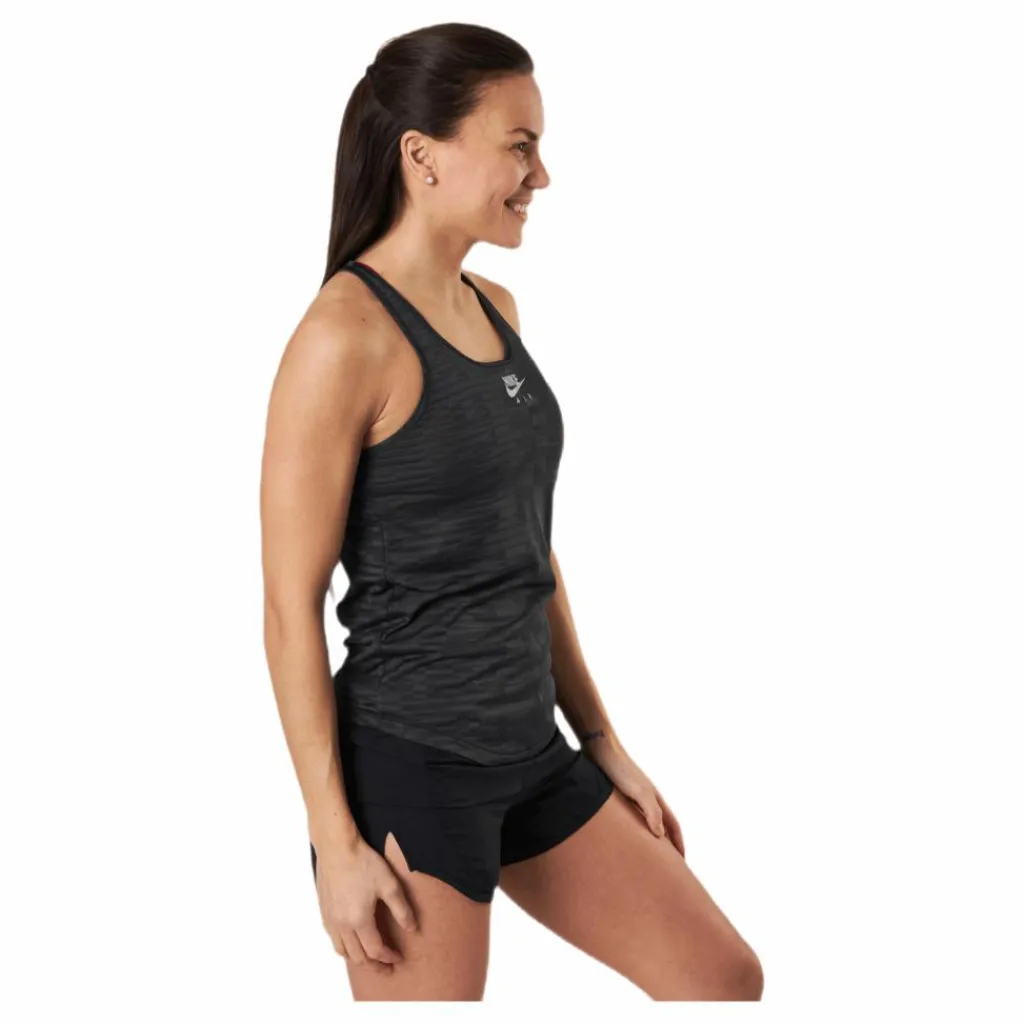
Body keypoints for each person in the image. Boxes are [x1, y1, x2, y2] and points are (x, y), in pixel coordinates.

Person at [260, 21, 763, 1002]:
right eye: (519, 146)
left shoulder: (495, 307)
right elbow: (289, 608)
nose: (542, 175)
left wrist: (600, 738)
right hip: (412, 768)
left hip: (532, 753)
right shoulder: (341, 340)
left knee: (721, 979)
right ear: (423, 156)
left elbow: (526, 552)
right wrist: (335, 840)